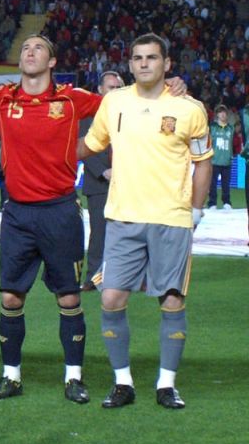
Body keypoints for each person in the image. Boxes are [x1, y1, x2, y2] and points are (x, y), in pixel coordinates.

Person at [78, 33, 212, 410]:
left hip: (171, 219)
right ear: (130, 64)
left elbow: (203, 162)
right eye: (137, 58)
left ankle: (166, 385)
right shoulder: (115, 102)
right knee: (111, 298)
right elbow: (90, 145)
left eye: (152, 57)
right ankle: (123, 383)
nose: (144, 63)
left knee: (171, 300)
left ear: (166, 64)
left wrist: (196, 210)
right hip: (123, 218)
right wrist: (45, 148)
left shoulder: (189, 108)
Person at [0, 37, 106, 403]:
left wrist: (170, 86)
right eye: (25, 48)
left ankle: (74, 378)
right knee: (11, 297)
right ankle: (10, 376)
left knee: (68, 297)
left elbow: (118, 106)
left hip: (60, 211)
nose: (29, 52)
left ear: (52, 61)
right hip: (17, 213)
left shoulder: (71, 99)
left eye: (38, 48)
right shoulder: (2, 98)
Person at [79, 71, 123, 289]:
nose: (115, 91)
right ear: (100, 90)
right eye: (111, 87)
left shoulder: (129, 113)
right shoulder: (88, 114)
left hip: (127, 183)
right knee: (99, 232)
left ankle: (128, 277)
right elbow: (83, 146)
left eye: (118, 87)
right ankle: (93, 278)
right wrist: (103, 171)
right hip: (99, 184)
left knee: (129, 231)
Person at [208, 105, 234, 210]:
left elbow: (233, 143)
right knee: (212, 184)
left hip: (227, 161)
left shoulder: (230, 128)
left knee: (226, 184)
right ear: (217, 114)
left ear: (227, 114)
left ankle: (227, 202)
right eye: (220, 112)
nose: (222, 114)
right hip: (214, 160)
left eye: (224, 112)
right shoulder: (212, 127)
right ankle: (212, 203)